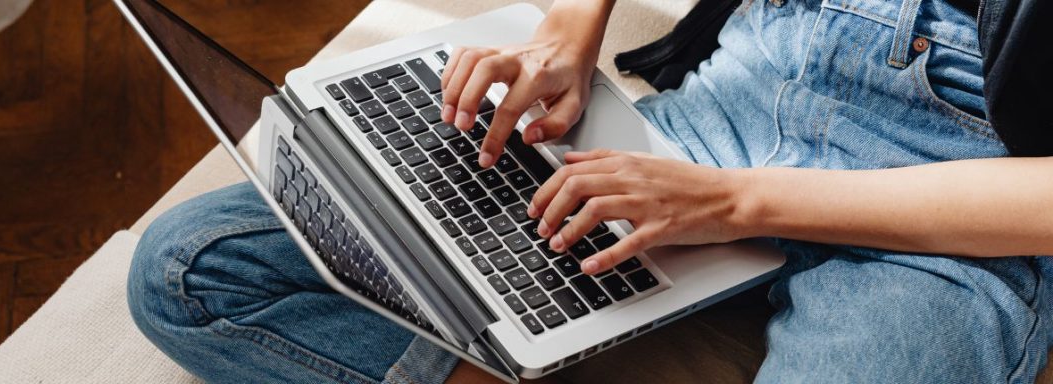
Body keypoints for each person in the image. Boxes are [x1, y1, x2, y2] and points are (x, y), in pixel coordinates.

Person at [127, 0, 1053, 382]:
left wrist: (731, 205)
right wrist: (568, 33)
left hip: (949, 200)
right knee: (192, 272)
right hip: (730, 102)